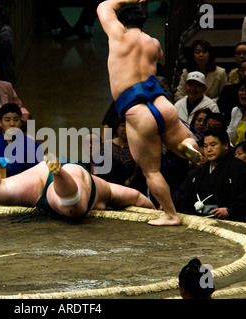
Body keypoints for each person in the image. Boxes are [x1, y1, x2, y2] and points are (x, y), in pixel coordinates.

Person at [97, 0, 202, 226]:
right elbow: (160, 56)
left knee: (151, 170)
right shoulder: (153, 43)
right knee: (183, 137)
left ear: (122, 22)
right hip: (161, 102)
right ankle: (189, 146)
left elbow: (103, 6)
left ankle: (171, 215)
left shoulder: (119, 35)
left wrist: (128, 0)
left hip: (136, 110)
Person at [0, 139, 156, 218]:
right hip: (73, 180)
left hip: (41, 175)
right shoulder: (106, 188)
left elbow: (137, 197)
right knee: (73, 209)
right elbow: (137, 197)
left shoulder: (104, 187)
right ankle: (59, 174)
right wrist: (154, 212)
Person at [173, 128, 246, 222]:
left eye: (213, 145)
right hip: (199, 218)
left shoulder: (239, 167)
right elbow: (186, 195)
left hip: (227, 220)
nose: (209, 150)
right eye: (205, 146)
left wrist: (229, 210)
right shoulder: (200, 170)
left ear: (225, 145)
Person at [97, 115, 147, 194]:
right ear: (116, 128)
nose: (125, 129)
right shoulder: (108, 145)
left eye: (129, 126)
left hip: (135, 187)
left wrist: (130, 180)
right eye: (123, 126)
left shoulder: (138, 146)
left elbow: (141, 168)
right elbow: (102, 170)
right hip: (112, 187)